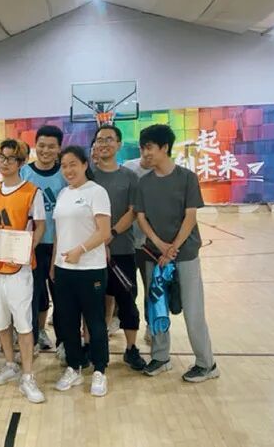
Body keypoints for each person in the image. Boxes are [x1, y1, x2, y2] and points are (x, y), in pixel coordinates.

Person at [135, 124, 219, 382]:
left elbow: (190, 216)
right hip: (154, 255)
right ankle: (161, 357)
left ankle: (207, 364)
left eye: (149, 147)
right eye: (142, 148)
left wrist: (172, 248)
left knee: (193, 310)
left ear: (164, 147)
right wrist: (159, 244)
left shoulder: (187, 178)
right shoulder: (143, 183)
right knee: (156, 307)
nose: (145, 153)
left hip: (185, 255)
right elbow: (141, 218)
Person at [0, 139, 46, 404]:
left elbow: (40, 226)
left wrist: (28, 248)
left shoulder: (32, 191)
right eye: (1, 157)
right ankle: (10, 364)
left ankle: (28, 375)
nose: (4, 163)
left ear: (21, 162)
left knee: (24, 323)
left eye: (10, 158)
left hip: (19, 269)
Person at [51, 146, 112, 396]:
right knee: (67, 321)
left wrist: (80, 250)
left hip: (90, 269)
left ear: (85, 164)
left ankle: (99, 370)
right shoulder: (63, 193)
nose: (68, 170)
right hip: (64, 270)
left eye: (73, 164)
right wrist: (54, 263)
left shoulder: (96, 192)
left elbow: (104, 232)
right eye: (64, 166)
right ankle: (74, 367)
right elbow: (59, 232)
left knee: (95, 321)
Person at [92, 125, 146, 371]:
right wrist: (98, 240)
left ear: (119, 144)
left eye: (109, 139)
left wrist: (110, 234)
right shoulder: (89, 176)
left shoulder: (130, 177)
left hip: (123, 249)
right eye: (100, 139)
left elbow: (133, 211)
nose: (104, 143)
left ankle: (131, 349)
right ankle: (94, 347)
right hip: (93, 252)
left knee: (127, 300)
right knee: (94, 302)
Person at [19, 125, 66, 351]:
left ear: (59, 148)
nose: (46, 150)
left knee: (62, 296)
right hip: (32, 246)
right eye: (41, 145)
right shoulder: (24, 173)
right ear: (35, 146)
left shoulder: (65, 174)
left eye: (51, 146)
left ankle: (64, 342)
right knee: (33, 295)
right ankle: (35, 337)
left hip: (60, 245)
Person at [123, 152, 153, 343]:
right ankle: (119, 319)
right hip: (127, 241)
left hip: (151, 244)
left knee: (152, 289)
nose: (149, 153)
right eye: (145, 147)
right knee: (126, 288)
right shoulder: (128, 168)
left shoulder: (161, 172)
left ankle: (152, 325)